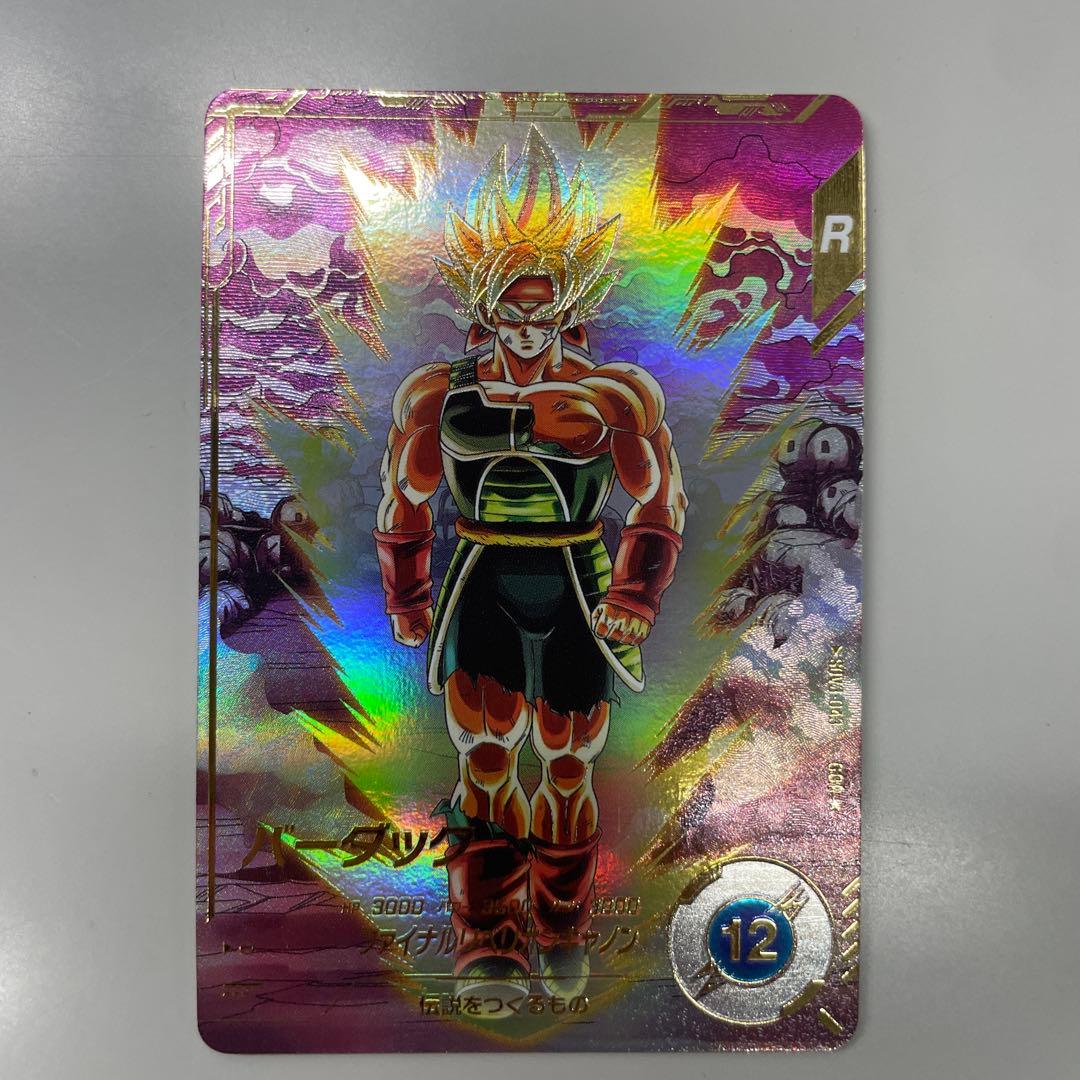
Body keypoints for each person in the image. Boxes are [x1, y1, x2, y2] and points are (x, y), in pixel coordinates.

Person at [373, 127, 686, 1014]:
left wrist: (634, 594)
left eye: (542, 309)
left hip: (578, 578)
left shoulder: (614, 392)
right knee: (483, 761)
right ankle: (487, 941)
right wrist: (406, 596)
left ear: (567, 306)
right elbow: (405, 497)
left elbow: (658, 501)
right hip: (482, 580)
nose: (525, 324)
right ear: (484, 302)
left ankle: (560, 927)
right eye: (512, 307)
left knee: (567, 767)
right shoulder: (439, 391)